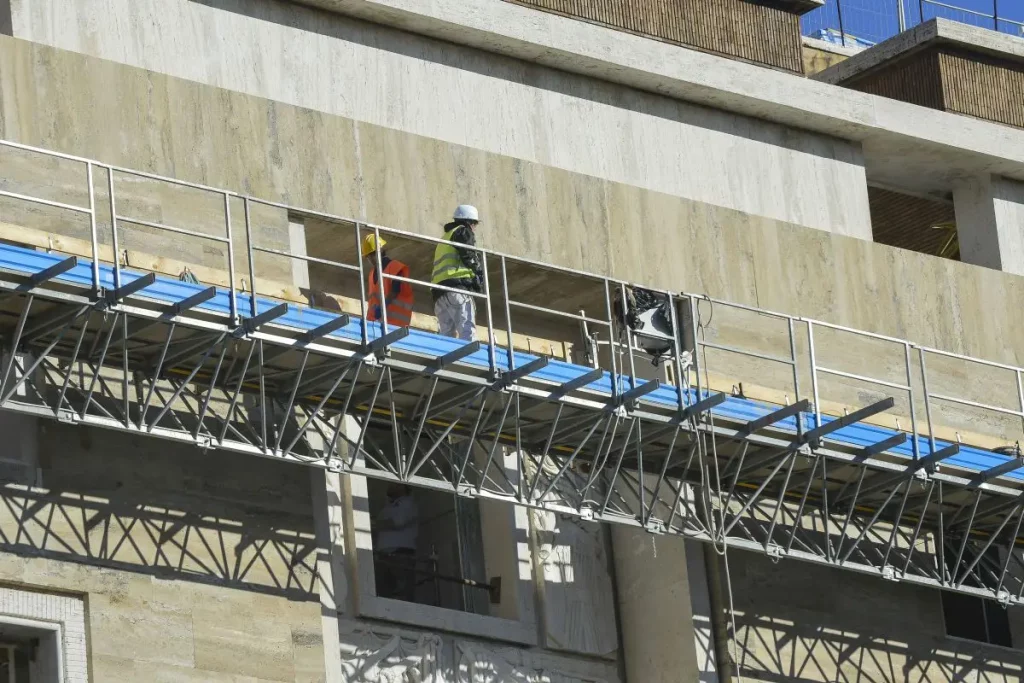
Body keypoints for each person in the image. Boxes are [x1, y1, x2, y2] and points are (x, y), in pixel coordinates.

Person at [431, 205, 484, 341]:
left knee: (446, 336)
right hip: (457, 289)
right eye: (474, 224)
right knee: (467, 330)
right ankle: (472, 360)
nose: (474, 228)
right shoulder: (463, 232)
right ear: (469, 222)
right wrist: (478, 273)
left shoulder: (444, 238)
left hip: (439, 293)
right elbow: (469, 255)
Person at [372, 484, 419, 602]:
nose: (389, 486)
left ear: (402, 486)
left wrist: (372, 524)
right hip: (384, 555)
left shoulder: (407, 503)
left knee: (401, 593)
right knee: (384, 593)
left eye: (393, 484)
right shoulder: (390, 505)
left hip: (400, 553)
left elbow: (398, 522)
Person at [362, 234, 414, 329]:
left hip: (395, 325)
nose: (371, 258)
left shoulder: (395, 267)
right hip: (375, 325)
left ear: (380, 250)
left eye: (372, 254)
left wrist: (382, 308)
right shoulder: (372, 274)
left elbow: (395, 291)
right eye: (369, 256)